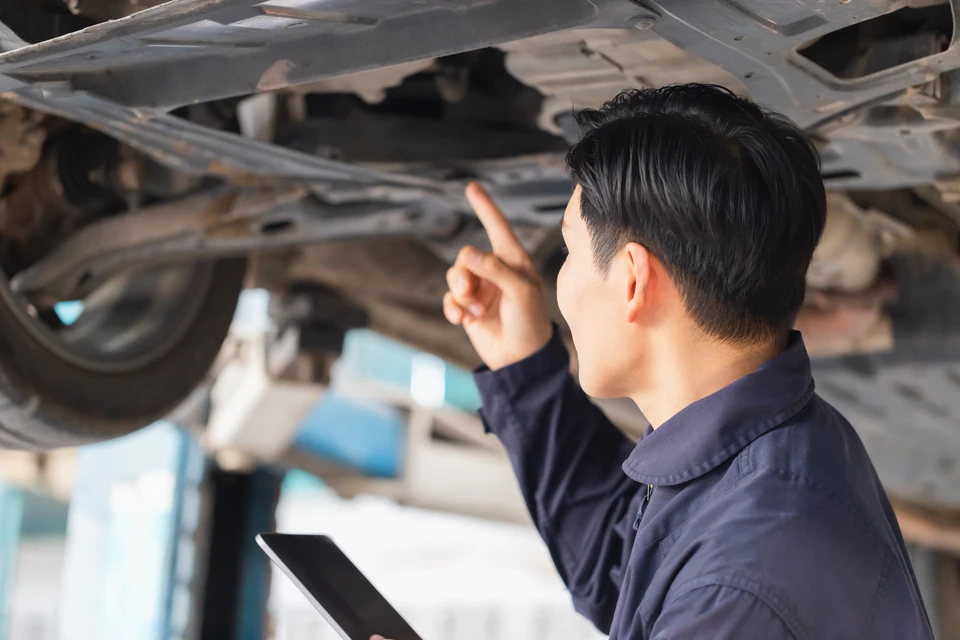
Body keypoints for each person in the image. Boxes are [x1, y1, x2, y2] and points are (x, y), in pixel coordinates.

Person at [437, 84, 933, 639]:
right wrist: (522, 365)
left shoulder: (744, 584)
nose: (561, 283)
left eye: (569, 252)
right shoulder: (776, 448)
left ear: (632, 280)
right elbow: (623, 570)